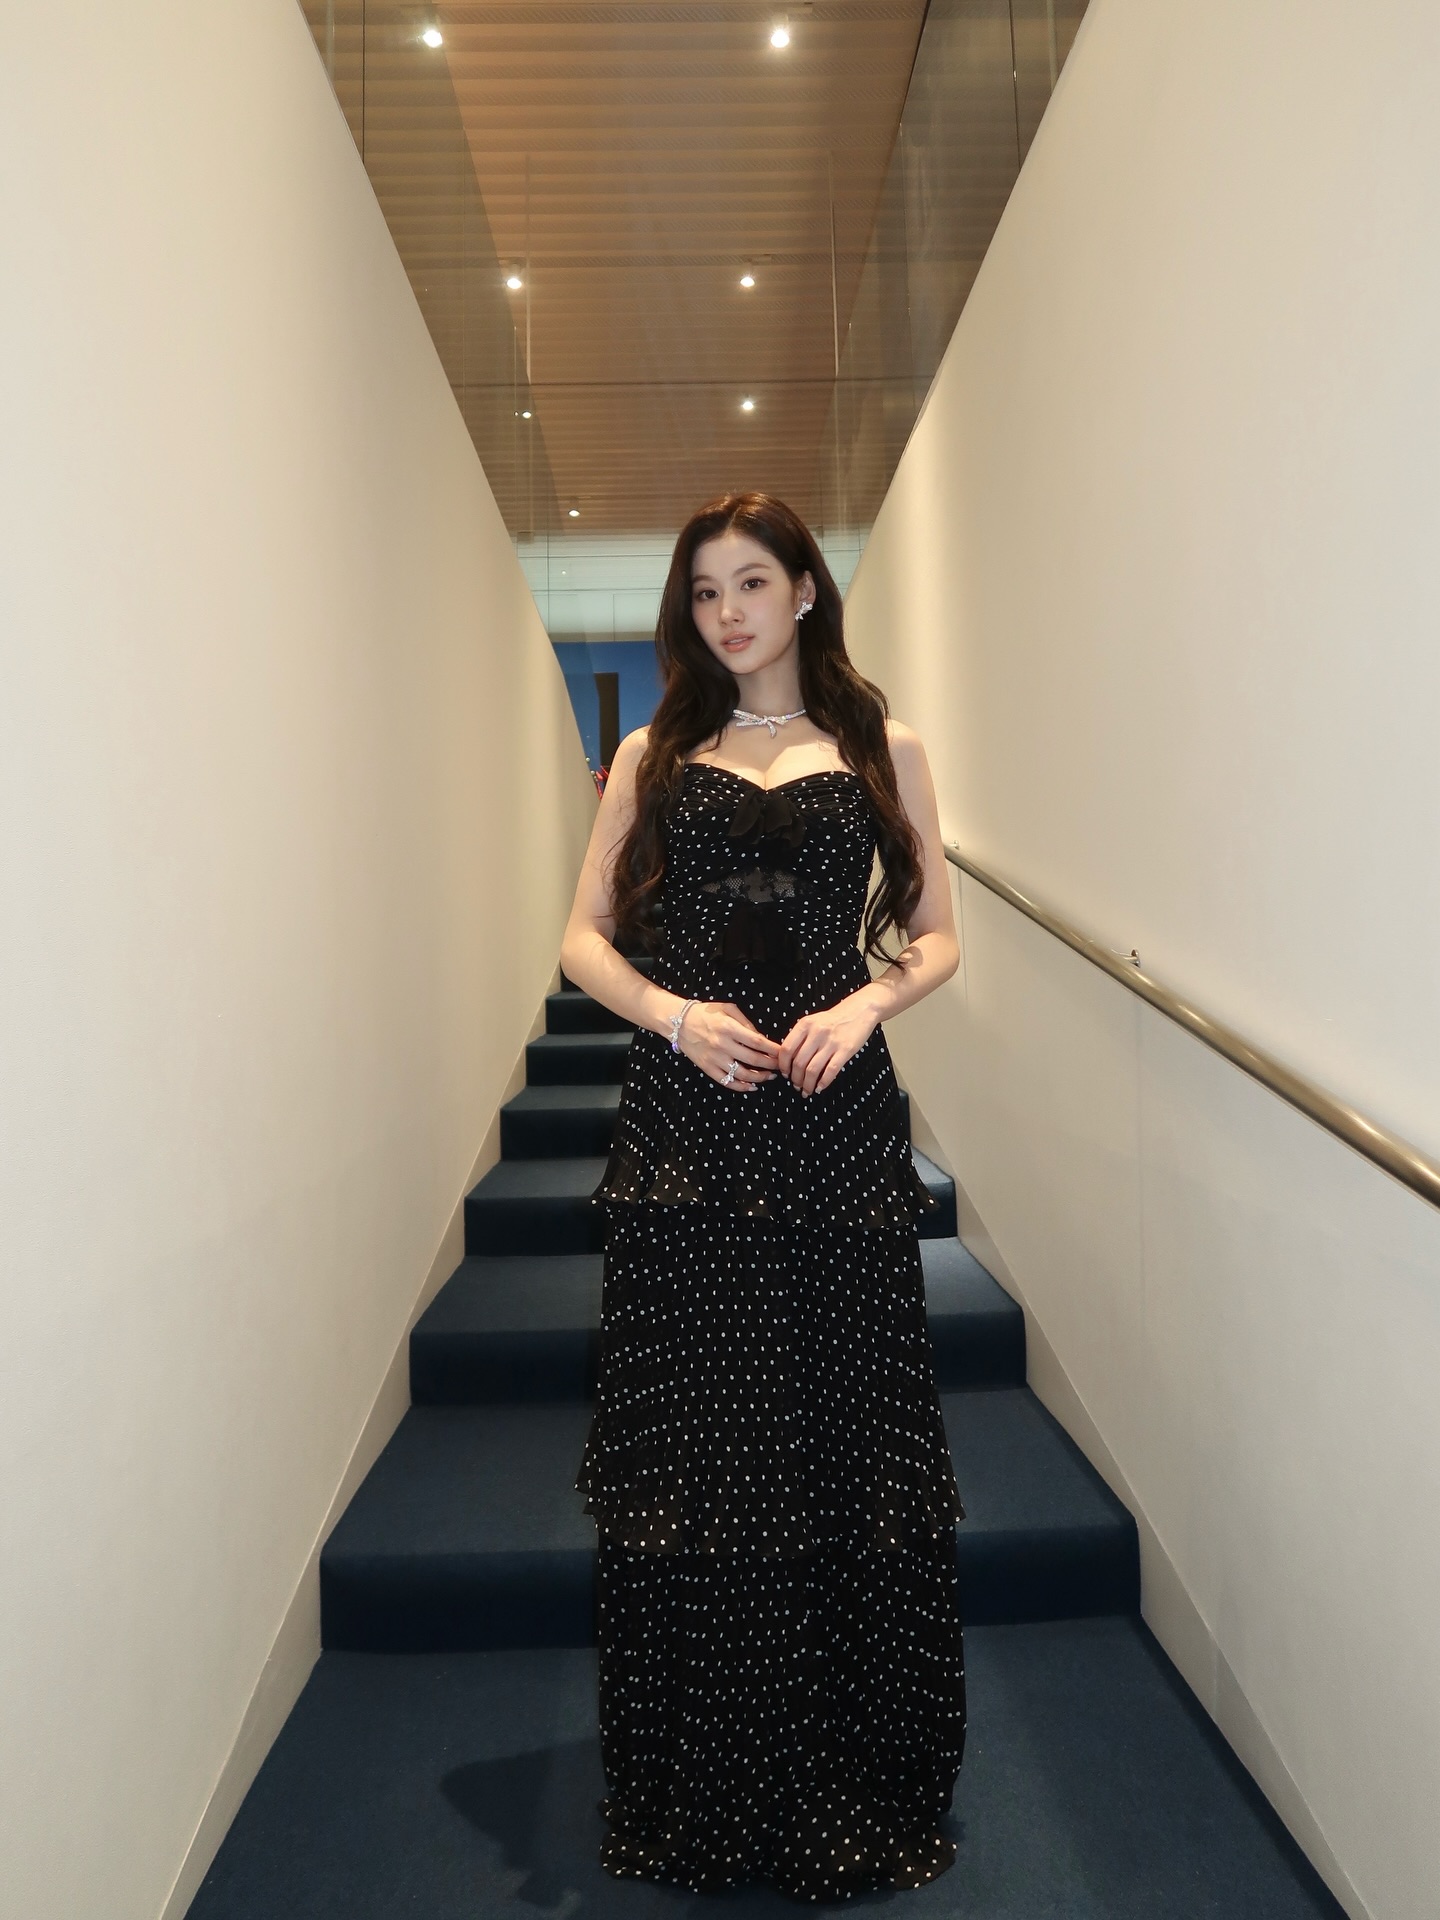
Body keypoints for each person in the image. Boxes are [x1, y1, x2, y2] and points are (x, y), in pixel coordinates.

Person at [559, 491, 967, 1901]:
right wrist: (674, 1018)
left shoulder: (885, 745)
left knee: (840, 1423)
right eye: (704, 591)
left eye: (751, 583)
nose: (726, 612)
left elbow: (940, 937)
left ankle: (852, 1762)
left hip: (835, 1115)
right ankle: (712, 1770)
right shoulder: (655, 753)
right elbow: (582, 938)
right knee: (712, 1436)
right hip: (693, 1120)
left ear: (804, 590)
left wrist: (866, 1004)